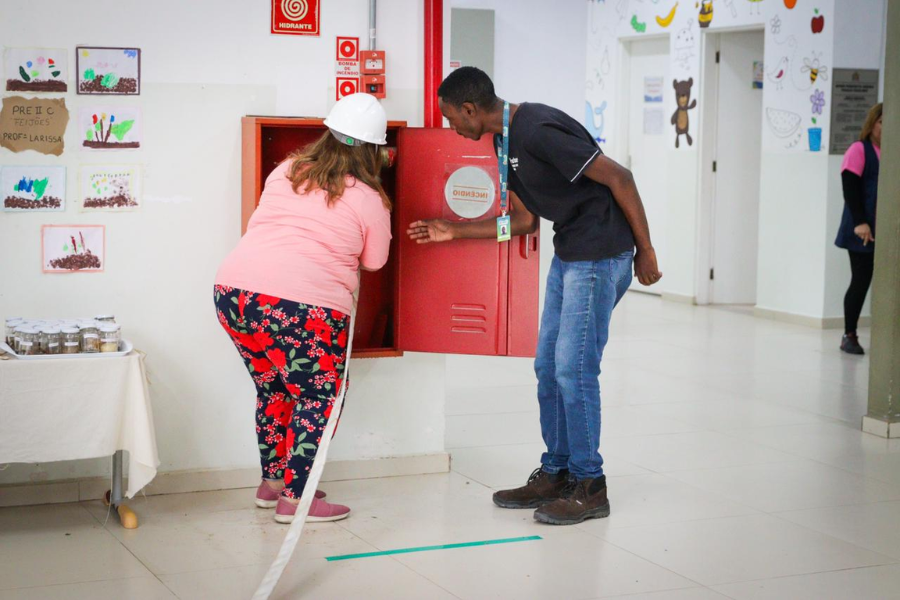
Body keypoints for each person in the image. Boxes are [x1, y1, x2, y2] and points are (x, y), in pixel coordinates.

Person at [407, 67, 662, 525]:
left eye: (451, 118)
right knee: (548, 366)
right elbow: (524, 221)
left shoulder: (539, 129)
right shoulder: (503, 141)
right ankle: (557, 471)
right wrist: (454, 230)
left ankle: (590, 485)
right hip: (571, 253)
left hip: (601, 252)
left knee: (574, 368)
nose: (451, 127)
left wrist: (645, 250)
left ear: (470, 109)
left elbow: (620, 177)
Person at [214, 93, 392, 523]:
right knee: (319, 397)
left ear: (327, 132)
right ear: (374, 150)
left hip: (235, 293)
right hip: (301, 307)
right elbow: (375, 261)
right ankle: (297, 499)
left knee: (273, 388)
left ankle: (274, 484)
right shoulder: (369, 197)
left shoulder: (287, 169)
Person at [835, 103, 882, 355]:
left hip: (886, 228)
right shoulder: (859, 150)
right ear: (872, 124)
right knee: (861, 280)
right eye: (881, 122)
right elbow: (850, 189)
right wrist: (860, 223)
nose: (886, 127)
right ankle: (849, 335)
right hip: (862, 229)